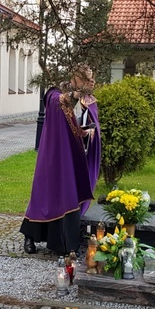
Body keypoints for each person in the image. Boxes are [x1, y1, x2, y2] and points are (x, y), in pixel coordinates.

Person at [20, 64, 101, 255]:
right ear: (75, 78)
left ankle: (65, 245)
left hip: (71, 155)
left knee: (68, 193)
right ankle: (29, 235)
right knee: (44, 194)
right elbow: (57, 102)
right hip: (53, 152)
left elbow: (80, 124)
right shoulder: (56, 93)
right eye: (86, 80)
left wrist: (86, 132)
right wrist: (73, 96)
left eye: (91, 80)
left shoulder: (86, 99)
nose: (90, 84)